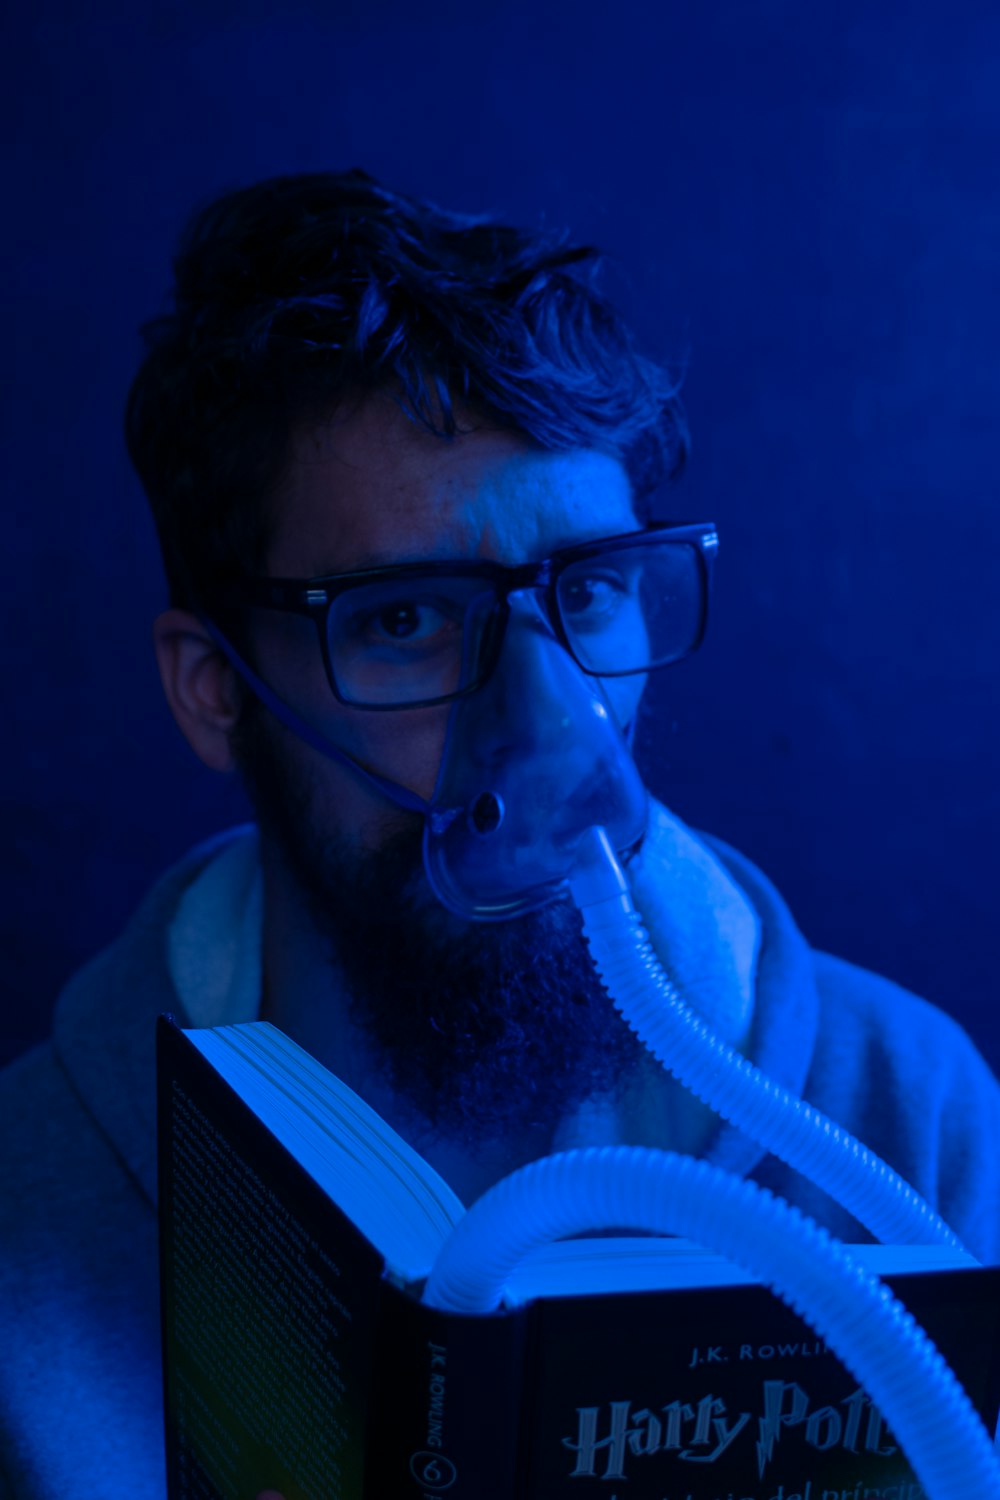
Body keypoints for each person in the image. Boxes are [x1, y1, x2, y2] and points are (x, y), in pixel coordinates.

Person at [2, 170, 998, 1499]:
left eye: (589, 593)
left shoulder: (906, 1130)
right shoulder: (26, 1217)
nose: (544, 735)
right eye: (408, 617)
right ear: (215, 691)